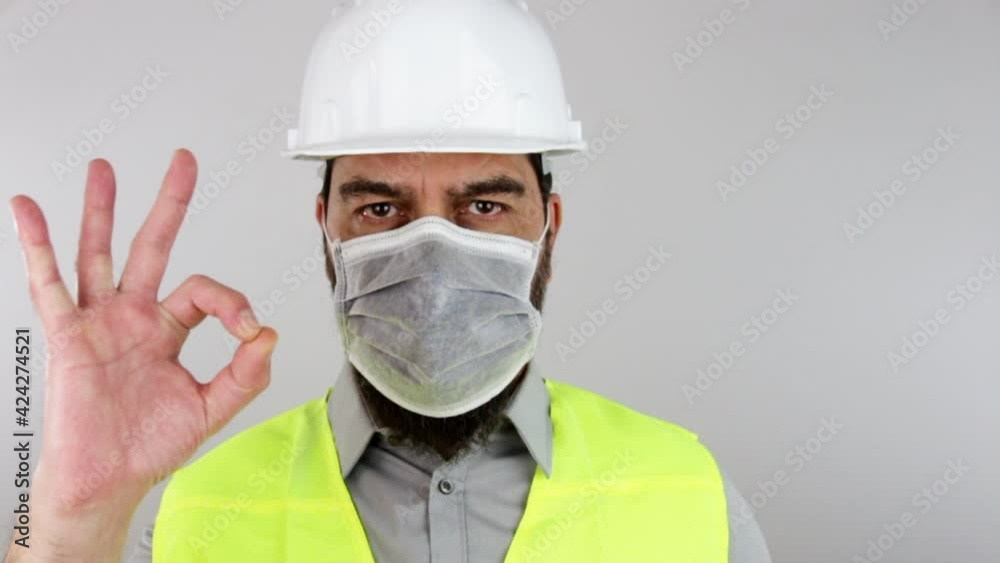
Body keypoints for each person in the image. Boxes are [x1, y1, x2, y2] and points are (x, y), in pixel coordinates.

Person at [5, 1, 772, 561]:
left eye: (483, 203)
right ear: (327, 231)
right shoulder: (189, 519)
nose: (432, 254)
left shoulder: (693, 499)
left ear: (549, 225)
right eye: (380, 207)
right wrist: (71, 526)